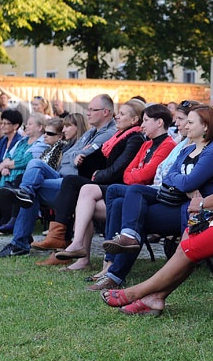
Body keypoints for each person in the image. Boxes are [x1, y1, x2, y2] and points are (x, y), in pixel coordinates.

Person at [99, 92, 213, 316]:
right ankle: (154, 298)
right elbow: (177, 178)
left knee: (189, 245)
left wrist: (201, 204)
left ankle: (134, 293)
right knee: (187, 240)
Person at [89, 106, 213, 291]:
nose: (185, 126)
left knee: (137, 214)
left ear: (205, 126)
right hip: (175, 200)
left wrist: (185, 184)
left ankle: (115, 272)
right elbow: (169, 176)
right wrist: (184, 184)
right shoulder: (188, 150)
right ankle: (126, 242)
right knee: (131, 196)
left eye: (190, 122)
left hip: (194, 209)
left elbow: (187, 182)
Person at [58, 104, 176, 287]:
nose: (143, 125)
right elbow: (129, 172)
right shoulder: (146, 144)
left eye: (146, 121)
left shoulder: (167, 144)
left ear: (159, 122)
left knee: (108, 193)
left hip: (145, 195)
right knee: (87, 203)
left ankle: (106, 262)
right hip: (132, 191)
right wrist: (134, 175)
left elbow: (143, 174)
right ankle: (87, 254)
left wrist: (133, 175)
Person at [0, 96, 116, 250]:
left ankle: (20, 242)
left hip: (76, 183)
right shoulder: (91, 132)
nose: (88, 113)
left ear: (105, 112)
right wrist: (74, 154)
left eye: (92, 110)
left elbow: (83, 156)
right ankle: (24, 192)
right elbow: (74, 153)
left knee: (32, 190)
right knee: (35, 164)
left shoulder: (108, 133)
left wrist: (74, 154)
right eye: (88, 109)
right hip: (62, 176)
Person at [0, 114, 49, 255]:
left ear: (40, 127)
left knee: (3, 193)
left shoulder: (42, 142)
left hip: (24, 178)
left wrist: (8, 165)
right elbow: (8, 156)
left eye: (30, 124)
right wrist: (6, 164)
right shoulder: (22, 141)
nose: (26, 126)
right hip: (9, 177)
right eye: (26, 124)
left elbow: (28, 160)